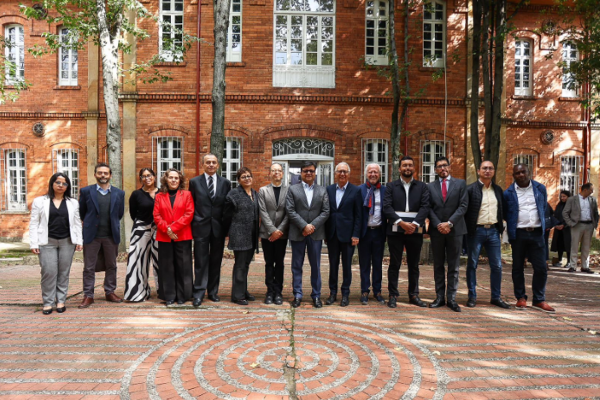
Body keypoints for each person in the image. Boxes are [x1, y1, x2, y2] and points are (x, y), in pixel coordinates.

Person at [503, 164, 555, 313]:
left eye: (523, 172)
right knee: (517, 267)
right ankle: (521, 298)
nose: (520, 175)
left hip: (537, 233)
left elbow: (543, 208)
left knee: (541, 267)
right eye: (517, 173)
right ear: (513, 175)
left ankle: (539, 299)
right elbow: (506, 213)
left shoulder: (540, 189)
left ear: (529, 172)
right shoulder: (508, 193)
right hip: (518, 234)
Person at [29, 173, 83, 314]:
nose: (61, 185)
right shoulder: (40, 201)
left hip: (67, 241)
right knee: (48, 272)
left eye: (64, 183)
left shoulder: (73, 202)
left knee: (63, 272)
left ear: (67, 186)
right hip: (46, 241)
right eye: (58, 182)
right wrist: (33, 243)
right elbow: (34, 223)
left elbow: (77, 223)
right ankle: (47, 302)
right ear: (52, 183)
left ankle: (60, 301)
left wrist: (79, 241)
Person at [383, 155, 430, 308]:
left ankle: (414, 295)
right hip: (395, 230)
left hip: (415, 230)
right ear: (399, 168)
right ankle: (393, 295)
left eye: (410, 165)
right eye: (404, 165)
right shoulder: (391, 186)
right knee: (394, 263)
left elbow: (425, 207)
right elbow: (387, 207)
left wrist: (414, 224)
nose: (407, 168)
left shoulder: (422, 187)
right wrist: (402, 223)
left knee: (414, 264)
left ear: (414, 168)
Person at [78, 163, 125, 309]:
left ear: (110, 175)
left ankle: (110, 292)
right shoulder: (86, 191)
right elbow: (82, 212)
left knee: (111, 265)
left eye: (105, 173)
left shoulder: (119, 193)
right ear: (95, 175)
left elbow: (119, 213)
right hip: (91, 235)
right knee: (89, 267)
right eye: (100, 173)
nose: (103, 175)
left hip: (110, 235)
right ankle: (88, 295)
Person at [464, 161, 510, 309]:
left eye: (490, 168)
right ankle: (472, 296)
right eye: (484, 168)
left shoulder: (497, 190)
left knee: (497, 265)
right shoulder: (470, 189)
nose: (487, 171)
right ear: (479, 171)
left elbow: (502, 210)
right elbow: (465, 211)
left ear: (494, 171)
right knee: (472, 264)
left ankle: (495, 297)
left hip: (493, 232)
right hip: (476, 231)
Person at [188, 154, 232, 307]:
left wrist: (226, 228)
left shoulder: (226, 183)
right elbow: (191, 205)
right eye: (208, 162)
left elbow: (227, 208)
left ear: (218, 165)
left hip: (218, 228)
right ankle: (198, 292)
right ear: (203, 164)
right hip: (200, 227)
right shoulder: (194, 182)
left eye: (214, 162)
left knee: (215, 261)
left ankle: (213, 291)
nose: (211, 165)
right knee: (200, 261)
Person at [286, 160, 330, 308]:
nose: (309, 173)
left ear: (315, 172)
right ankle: (297, 295)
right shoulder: (293, 189)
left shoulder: (322, 190)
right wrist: (304, 226)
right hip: (298, 233)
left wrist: (312, 226)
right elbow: (290, 210)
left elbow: (326, 211)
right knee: (296, 265)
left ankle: (316, 295)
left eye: (311, 170)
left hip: (316, 234)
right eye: (306, 171)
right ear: (301, 173)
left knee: (316, 266)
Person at [427, 156, 468, 312]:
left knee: (454, 266)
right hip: (437, 231)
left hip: (455, 230)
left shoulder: (461, 184)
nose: (442, 168)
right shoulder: (430, 187)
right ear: (436, 170)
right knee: (438, 265)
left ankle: (451, 298)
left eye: (445, 165)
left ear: (450, 167)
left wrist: (449, 223)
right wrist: (439, 224)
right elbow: (428, 208)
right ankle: (439, 297)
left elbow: (463, 206)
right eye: (439, 166)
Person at [153, 169, 194, 306]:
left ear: (180, 180)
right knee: (166, 267)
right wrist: (167, 229)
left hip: (182, 234)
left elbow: (189, 214)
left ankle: (183, 295)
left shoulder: (187, 194)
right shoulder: (159, 196)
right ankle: (169, 295)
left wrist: (173, 228)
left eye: (176, 178)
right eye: (171, 177)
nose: (173, 180)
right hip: (164, 236)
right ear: (166, 179)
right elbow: (156, 215)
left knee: (183, 266)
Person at [324, 162, 361, 307]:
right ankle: (332, 293)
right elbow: (327, 213)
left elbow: (358, 215)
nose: (342, 174)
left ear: (349, 174)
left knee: (346, 266)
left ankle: (345, 293)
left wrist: (356, 234)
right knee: (333, 265)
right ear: (335, 173)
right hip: (332, 235)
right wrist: (326, 233)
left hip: (348, 236)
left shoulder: (355, 190)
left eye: (345, 171)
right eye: (339, 171)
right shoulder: (329, 190)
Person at [224, 167, 260, 305]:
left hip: (252, 234)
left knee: (246, 264)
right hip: (239, 233)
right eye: (243, 177)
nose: (247, 178)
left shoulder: (255, 194)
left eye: (249, 176)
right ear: (238, 180)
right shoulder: (233, 194)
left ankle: (243, 290)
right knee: (240, 265)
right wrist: (228, 233)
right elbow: (227, 216)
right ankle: (237, 295)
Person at [124, 168, 159, 302]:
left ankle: (163, 291)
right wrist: (143, 225)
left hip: (159, 230)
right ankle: (137, 292)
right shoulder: (136, 194)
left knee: (161, 261)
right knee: (137, 261)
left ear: (154, 177)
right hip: (140, 229)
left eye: (149, 175)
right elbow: (133, 214)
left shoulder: (162, 193)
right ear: (140, 179)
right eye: (143, 176)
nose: (147, 178)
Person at [258, 163, 289, 305]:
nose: (276, 173)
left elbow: (290, 213)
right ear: (270, 173)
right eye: (273, 171)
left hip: (282, 234)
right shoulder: (263, 191)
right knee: (269, 263)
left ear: (282, 174)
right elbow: (262, 212)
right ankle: (269, 291)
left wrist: (279, 230)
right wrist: (272, 230)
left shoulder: (289, 191)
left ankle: (278, 292)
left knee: (280, 263)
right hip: (267, 234)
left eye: (279, 171)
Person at [358, 163, 387, 305]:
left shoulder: (385, 191)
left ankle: (377, 291)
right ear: (366, 174)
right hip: (365, 233)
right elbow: (357, 214)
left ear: (379, 174)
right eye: (370, 172)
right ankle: (364, 290)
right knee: (364, 263)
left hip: (379, 232)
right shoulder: (360, 190)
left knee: (377, 263)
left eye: (375, 172)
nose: (373, 174)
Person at [563, 183, 599, 273]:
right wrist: (570, 223)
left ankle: (585, 266)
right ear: (585, 190)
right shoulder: (572, 199)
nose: (592, 192)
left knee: (586, 247)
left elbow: (595, 213)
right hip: (577, 225)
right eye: (591, 190)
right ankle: (573, 266)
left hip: (589, 225)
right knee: (574, 246)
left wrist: (595, 223)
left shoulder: (592, 200)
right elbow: (565, 212)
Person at [551, 190, 572, 268]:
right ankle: (559, 260)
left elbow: (571, 217)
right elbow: (555, 215)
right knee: (559, 244)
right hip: (558, 228)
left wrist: (564, 225)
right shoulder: (559, 205)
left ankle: (569, 261)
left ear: (568, 197)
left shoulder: (571, 205)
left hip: (567, 228)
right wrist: (556, 224)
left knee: (568, 245)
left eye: (564, 196)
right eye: (561, 196)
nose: (562, 198)